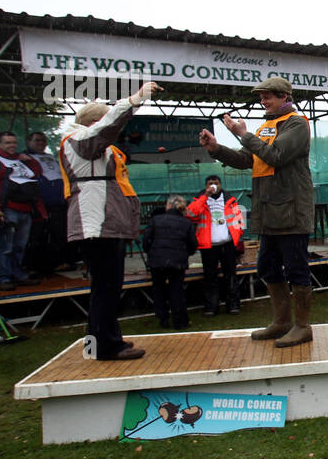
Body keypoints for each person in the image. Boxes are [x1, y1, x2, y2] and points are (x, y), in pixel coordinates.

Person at [200, 77, 314, 347]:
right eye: (261, 97)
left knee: (296, 269)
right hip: (269, 213)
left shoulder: (297, 123)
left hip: (292, 212)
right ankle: (282, 322)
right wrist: (216, 148)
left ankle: (303, 326)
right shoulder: (265, 127)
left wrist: (242, 133)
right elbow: (245, 159)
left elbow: (275, 156)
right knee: (267, 266)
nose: (263, 101)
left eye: (268, 97)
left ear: (285, 96)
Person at [59, 82, 162, 360]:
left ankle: (99, 343)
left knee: (105, 287)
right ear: (93, 123)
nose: (114, 128)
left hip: (104, 225)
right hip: (97, 226)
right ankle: (106, 346)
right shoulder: (79, 142)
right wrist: (135, 100)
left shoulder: (91, 147)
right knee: (106, 287)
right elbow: (107, 127)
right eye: (104, 120)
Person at [0, 131, 44, 290]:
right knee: (6, 245)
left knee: (20, 245)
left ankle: (17, 273)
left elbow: (36, 173)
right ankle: (3, 277)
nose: (12, 146)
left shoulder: (18, 160)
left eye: (14, 142)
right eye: (8, 143)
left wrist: (29, 160)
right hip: (8, 210)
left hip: (25, 210)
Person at [187, 175, 244, 316]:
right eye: (210, 183)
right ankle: (211, 306)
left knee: (230, 275)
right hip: (209, 245)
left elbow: (239, 220)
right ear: (206, 185)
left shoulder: (230, 199)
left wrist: (237, 235)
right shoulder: (199, 199)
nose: (213, 185)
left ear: (220, 184)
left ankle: (233, 304)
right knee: (210, 276)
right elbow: (191, 214)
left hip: (227, 243)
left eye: (216, 183)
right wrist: (205, 196)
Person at [142, 194, 198, 329]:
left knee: (158, 290)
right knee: (177, 291)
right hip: (177, 261)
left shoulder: (156, 220)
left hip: (157, 261)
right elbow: (193, 245)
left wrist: (152, 252)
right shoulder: (186, 223)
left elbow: (146, 241)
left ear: (168, 206)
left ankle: (163, 319)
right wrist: (185, 253)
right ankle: (180, 321)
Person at [24, 131, 71, 274]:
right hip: (43, 202)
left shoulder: (51, 157)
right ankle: (42, 265)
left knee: (60, 232)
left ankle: (61, 261)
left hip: (59, 199)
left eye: (43, 141)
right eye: (37, 140)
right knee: (43, 234)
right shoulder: (25, 158)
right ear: (28, 142)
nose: (40, 143)